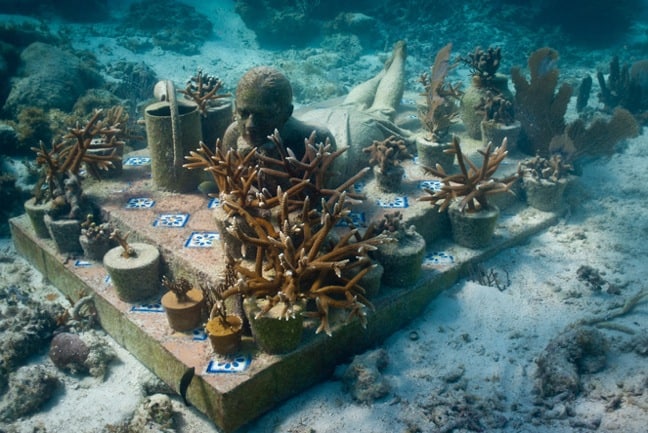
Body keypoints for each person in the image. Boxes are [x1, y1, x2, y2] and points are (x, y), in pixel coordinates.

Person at [221, 40, 413, 180]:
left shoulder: (318, 137)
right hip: (320, 117)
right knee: (349, 103)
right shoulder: (233, 134)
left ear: (287, 113)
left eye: (265, 115)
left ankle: (399, 57)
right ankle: (381, 73)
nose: (250, 126)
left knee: (382, 110)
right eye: (244, 113)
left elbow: (313, 194)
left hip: (349, 132)